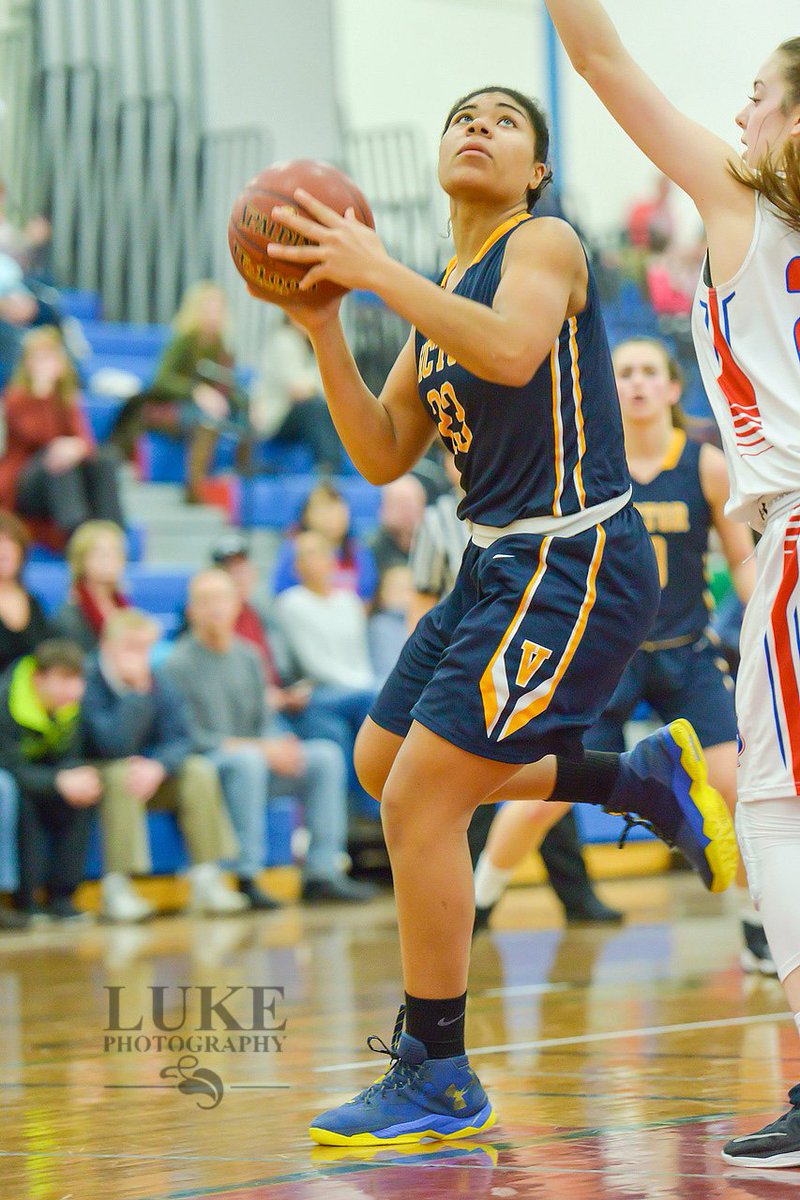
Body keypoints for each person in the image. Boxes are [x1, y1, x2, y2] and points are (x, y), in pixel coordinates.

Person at [262, 83, 736, 1146]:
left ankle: (436, 1066)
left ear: (533, 170)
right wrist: (324, 325)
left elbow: (513, 353)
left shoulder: (547, 243)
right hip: (493, 564)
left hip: (573, 555)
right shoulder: (441, 284)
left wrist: (373, 273)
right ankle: (628, 778)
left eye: (503, 121)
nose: (475, 126)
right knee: (385, 770)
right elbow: (382, 453)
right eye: (459, 116)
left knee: (419, 808)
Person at [543, 3, 800, 1167]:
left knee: (774, 810)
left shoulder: (741, 195)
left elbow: (595, 58)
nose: (738, 109)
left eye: (756, 90)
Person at [473, 338, 759, 944]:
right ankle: (477, 904)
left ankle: (753, 925)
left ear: (673, 389)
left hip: (686, 651)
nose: (636, 383)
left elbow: (742, 562)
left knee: (733, 788)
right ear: (610, 387)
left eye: (650, 372)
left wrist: (765, 617)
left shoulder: (705, 465)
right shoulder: (591, 465)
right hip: (606, 655)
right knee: (542, 790)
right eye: (624, 372)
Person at [411, 452, 624, 926]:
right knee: (477, 783)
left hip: (525, 649)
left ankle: (573, 896)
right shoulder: (434, 520)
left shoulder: (531, 504)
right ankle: (468, 906)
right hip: (462, 658)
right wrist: (425, 669)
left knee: (541, 766)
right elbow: (421, 601)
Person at [167, 569, 376, 904]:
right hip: (208, 767)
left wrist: (279, 743)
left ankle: (322, 872)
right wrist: (261, 748)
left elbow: (265, 721)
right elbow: (186, 738)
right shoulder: (177, 664)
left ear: (237, 605)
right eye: (204, 602)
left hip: (254, 759)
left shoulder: (249, 656)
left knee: (324, 756)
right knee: (248, 761)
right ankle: (246, 875)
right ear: (191, 611)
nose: (215, 609)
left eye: (221, 599)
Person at [82, 609, 246, 922]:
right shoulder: (91, 681)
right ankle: (117, 887)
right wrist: (135, 696)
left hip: (148, 777)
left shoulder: (159, 680)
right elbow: (110, 745)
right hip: (100, 777)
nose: (140, 657)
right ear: (107, 646)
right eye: (131, 647)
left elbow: (182, 737)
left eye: (145, 648)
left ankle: (206, 876)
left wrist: (157, 766)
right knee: (121, 774)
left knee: (197, 770)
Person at [110, 281, 247, 503]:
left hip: (202, 410)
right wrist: (196, 391)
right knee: (206, 420)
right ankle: (195, 488)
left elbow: (226, 385)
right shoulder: (183, 341)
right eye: (208, 308)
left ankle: (241, 484)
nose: (214, 314)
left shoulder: (223, 347)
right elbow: (161, 380)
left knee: (244, 416)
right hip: (168, 409)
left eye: (218, 308)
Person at [0, 639, 100, 921]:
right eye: (63, 680)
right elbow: (8, 765)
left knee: (83, 793)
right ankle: (26, 899)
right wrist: (57, 781)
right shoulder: (6, 701)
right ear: (38, 678)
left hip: (46, 776)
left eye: (77, 680)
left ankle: (63, 898)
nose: (72, 690)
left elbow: (76, 755)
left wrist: (73, 778)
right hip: (13, 779)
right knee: (23, 799)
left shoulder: (71, 707)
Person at [0, 327, 124, 546]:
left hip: (63, 479)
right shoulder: (15, 398)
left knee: (105, 457)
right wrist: (42, 394)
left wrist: (76, 447)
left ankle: (111, 532)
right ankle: (76, 536)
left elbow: (86, 442)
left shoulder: (66, 398)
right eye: (39, 358)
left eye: (50, 358)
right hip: (23, 483)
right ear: (27, 363)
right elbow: (35, 436)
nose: (45, 365)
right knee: (57, 456)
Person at [250, 313, 344, 471]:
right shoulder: (284, 340)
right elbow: (300, 390)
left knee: (336, 409)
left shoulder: (310, 344)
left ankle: (344, 466)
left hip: (296, 416)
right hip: (276, 418)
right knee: (313, 407)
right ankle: (329, 467)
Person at [271, 480, 378, 601]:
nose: (333, 516)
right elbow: (282, 596)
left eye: (338, 509)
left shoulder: (358, 552)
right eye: (325, 509)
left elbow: (366, 597)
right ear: (307, 515)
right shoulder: (294, 549)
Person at [54, 521, 129, 652]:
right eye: (102, 554)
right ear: (81, 560)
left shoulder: (124, 606)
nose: (111, 560)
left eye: (116, 552)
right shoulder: (70, 614)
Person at [368, 475, 427, 575]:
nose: (406, 513)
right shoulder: (371, 549)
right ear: (383, 508)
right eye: (400, 505)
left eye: (411, 505)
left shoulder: (434, 543)